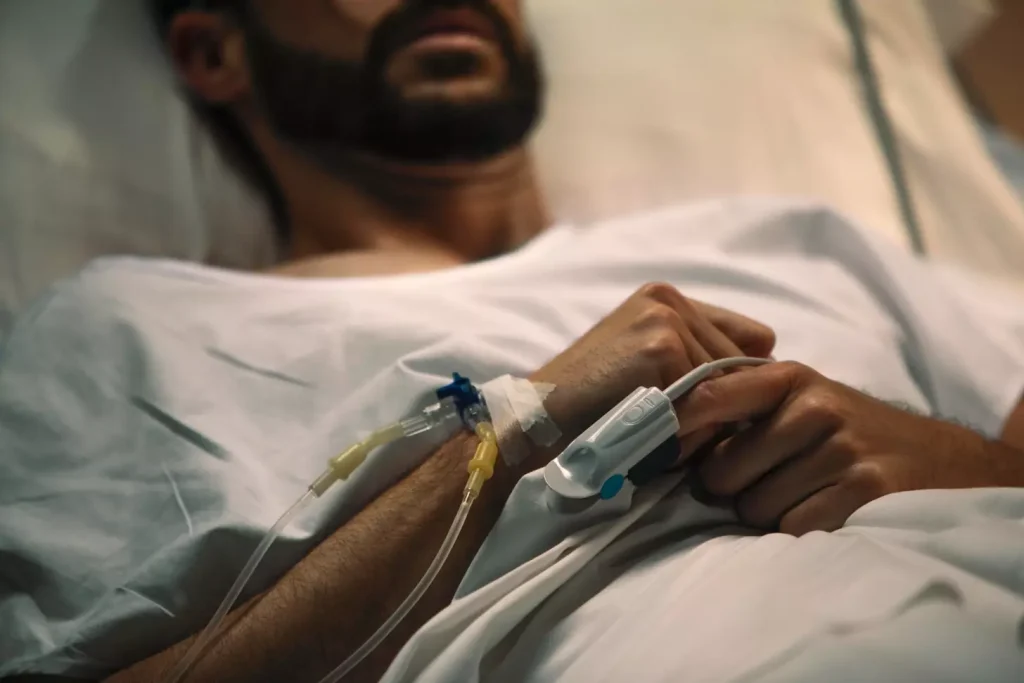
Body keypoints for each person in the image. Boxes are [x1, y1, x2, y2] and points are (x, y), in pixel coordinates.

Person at [3, 1, 1024, 682]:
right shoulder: (128, 332)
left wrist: (967, 462)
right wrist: (518, 422)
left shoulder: (789, 241)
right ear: (212, 50)